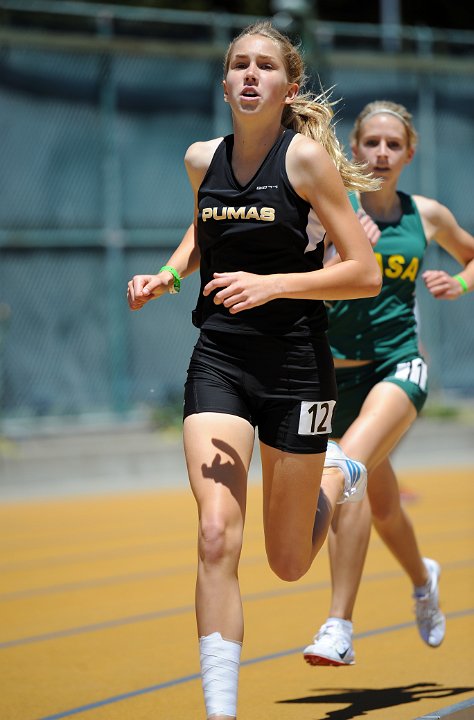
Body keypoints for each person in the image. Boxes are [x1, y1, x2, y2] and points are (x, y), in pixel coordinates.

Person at [127, 21, 382, 719]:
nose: (249, 74)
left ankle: (339, 473)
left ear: (287, 87)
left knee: (290, 561)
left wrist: (273, 285)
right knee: (215, 532)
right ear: (224, 81)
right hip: (222, 358)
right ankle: (221, 710)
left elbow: (365, 273)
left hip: (298, 364)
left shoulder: (305, 164)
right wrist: (168, 277)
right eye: (238, 63)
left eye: (264, 66)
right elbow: (202, 228)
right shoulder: (200, 158)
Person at [303, 99, 474, 668]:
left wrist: (460, 284)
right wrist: (335, 248)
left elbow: (473, 255)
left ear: (409, 153)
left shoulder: (426, 215)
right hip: (334, 378)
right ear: (353, 149)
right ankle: (423, 579)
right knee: (380, 504)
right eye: (370, 142)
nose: (380, 153)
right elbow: (303, 283)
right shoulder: (330, 208)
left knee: (344, 469)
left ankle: (338, 626)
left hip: (399, 366)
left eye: (392, 145)